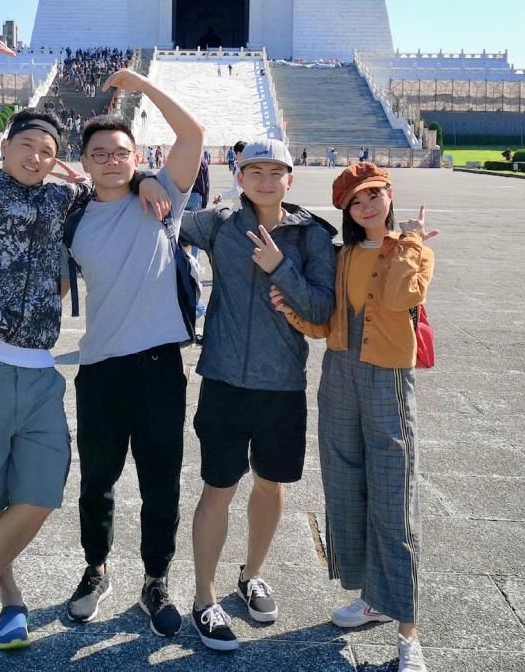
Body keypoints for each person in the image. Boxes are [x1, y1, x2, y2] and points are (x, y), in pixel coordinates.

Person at [0, 34, 167, 653]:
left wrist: (140, 180)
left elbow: (107, 185)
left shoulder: (65, 200)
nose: (37, 157)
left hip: (39, 372)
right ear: (4, 147)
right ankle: (8, 600)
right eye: (26, 146)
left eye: (47, 150)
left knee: (41, 491)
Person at [270, 164, 436, 672]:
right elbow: (326, 324)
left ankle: (409, 632)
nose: (366, 207)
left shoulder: (413, 251)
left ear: (390, 196)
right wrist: (293, 312)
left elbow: (397, 297)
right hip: (339, 374)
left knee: (391, 495)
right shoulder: (342, 258)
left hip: (386, 378)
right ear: (346, 211)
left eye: (374, 196)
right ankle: (372, 597)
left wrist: (407, 243)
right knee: (346, 485)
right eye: (355, 202)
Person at [179, 138, 337, 651]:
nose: (266, 181)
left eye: (276, 172)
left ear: (291, 178)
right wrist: (131, 179)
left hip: (281, 385)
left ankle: (251, 574)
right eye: (255, 171)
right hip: (224, 378)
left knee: (271, 485)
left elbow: (319, 311)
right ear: (239, 174)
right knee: (218, 488)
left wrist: (279, 266)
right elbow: (167, 217)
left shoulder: (312, 235)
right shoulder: (220, 223)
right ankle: (204, 599)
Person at [63, 68, 203, 638]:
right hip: (98, 368)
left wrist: (142, 85)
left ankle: (156, 578)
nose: (111, 160)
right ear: (87, 162)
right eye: (100, 154)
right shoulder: (71, 217)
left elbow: (192, 135)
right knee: (96, 480)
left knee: (161, 481)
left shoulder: (162, 197)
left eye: (122, 152)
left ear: (136, 154)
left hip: (158, 368)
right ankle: (95, 568)